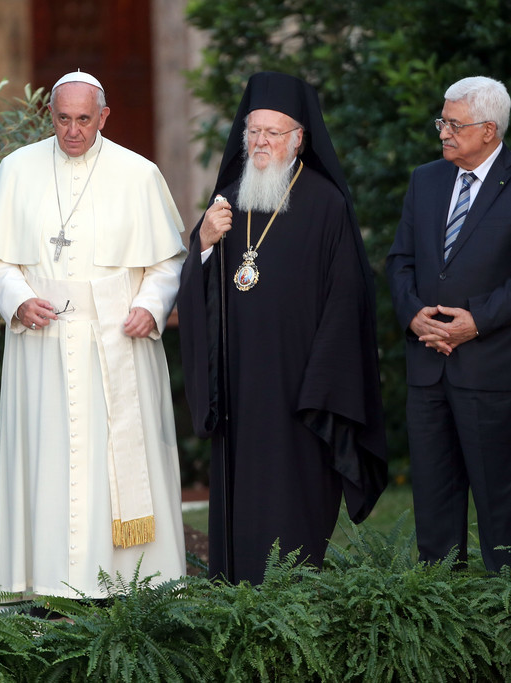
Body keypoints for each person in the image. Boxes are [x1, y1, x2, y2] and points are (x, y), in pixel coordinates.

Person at [0, 70, 187, 601]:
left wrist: (149, 305)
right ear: (50, 115)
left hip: (117, 337)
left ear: (104, 117)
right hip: (41, 339)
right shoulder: (17, 169)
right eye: (63, 119)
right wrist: (18, 298)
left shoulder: (138, 174)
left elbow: (165, 263)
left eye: (84, 120)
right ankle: (45, 582)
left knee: (112, 460)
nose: (72, 131)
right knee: (50, 461)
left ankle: (130, 582)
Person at [177, 71, 387, 585]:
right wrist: (202, 244)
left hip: (300, 394)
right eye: (253, 131)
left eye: (273, 133)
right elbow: (202, 291)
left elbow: (347, 303)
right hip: (240, 393)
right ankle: (237, 608)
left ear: (298, 138)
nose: (261, 143)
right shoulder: (228, 198)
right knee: (241, 508)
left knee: (292, 516)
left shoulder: (326, 205)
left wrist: (319, 388)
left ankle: (291, 608)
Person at [386, 76, 511, 572]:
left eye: (453, 123)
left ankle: (506, 611)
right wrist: (413, 314)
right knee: (434, 503)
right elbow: (399, 260)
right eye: (442, 120)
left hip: (495, 370)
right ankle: (441, 609)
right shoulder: (425, 179)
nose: (442, 131)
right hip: (428, 367)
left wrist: (476, 322)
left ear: (488, 130)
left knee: (498, 510)